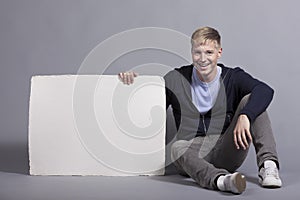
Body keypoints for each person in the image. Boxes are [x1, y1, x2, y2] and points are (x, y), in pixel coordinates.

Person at [118, 26, 282, 194]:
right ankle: (221, 181)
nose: (203, 59)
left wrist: (245, 115)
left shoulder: (233, 77)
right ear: (191, 53)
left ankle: (268, 166)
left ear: (219, 52)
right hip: (192, 155)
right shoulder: (176, 79)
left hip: (227, 149)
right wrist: (133, 84)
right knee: (177, 147)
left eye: (209, 52)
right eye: (198, 52)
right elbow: (150, 103)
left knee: (253, 100)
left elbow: (265, 90)